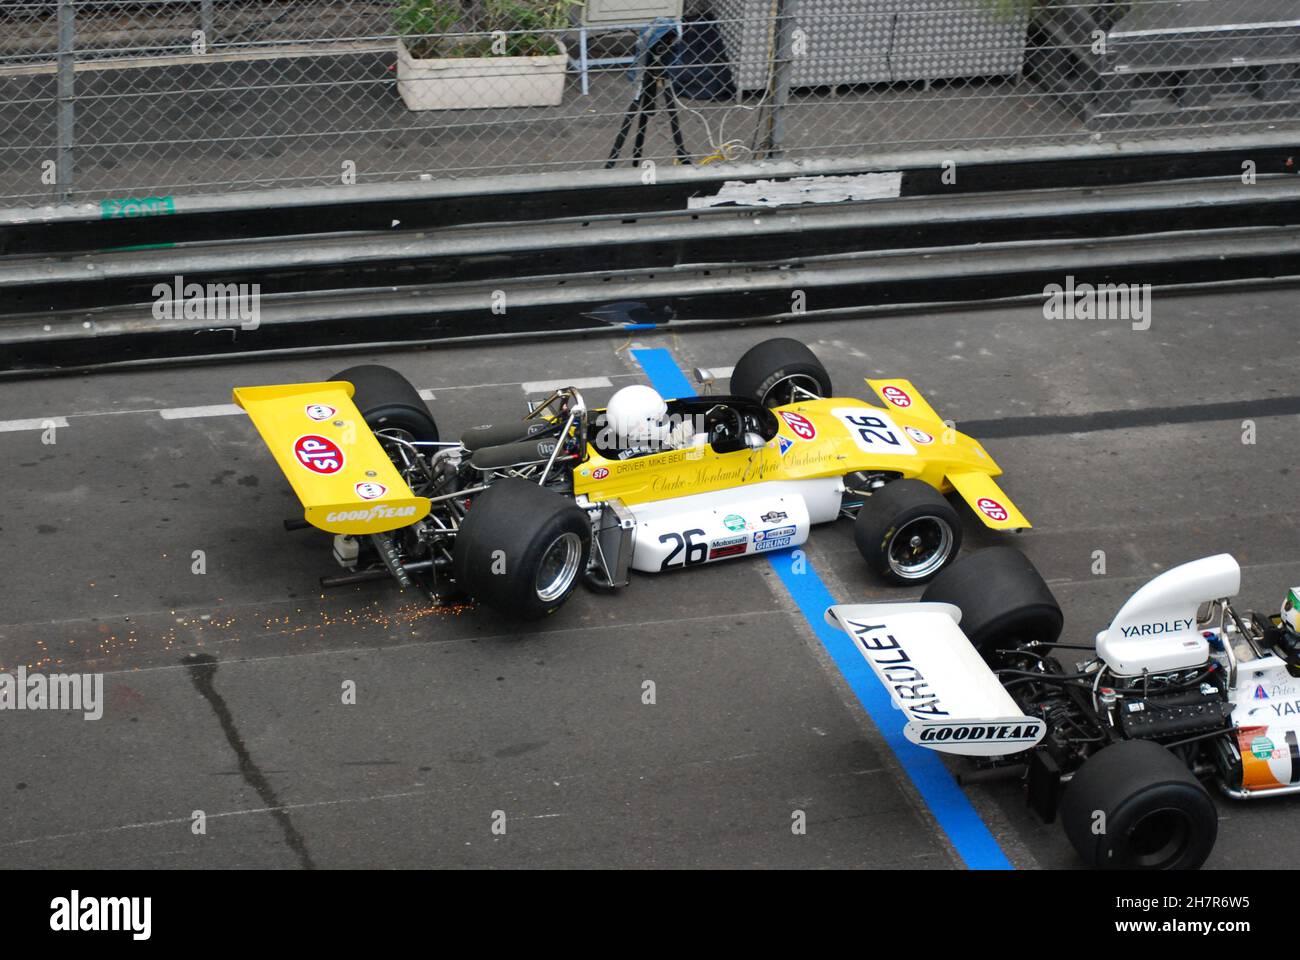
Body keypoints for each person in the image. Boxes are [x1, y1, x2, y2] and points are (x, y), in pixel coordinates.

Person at [603, 385, 702, 459]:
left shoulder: (615, 433)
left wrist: (699, 421)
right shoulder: (644, 456)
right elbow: (670, 448)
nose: (665, 421)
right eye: (659, 420)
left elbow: (667, 442)